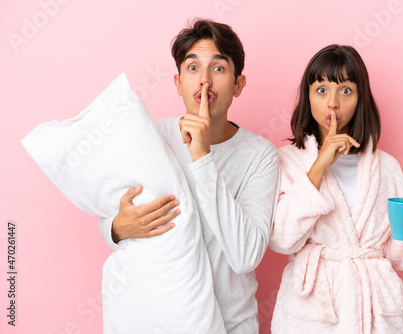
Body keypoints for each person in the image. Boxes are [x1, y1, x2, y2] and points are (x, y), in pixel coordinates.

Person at [98, 19, 280, 333]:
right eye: (193, 68)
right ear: (178, 82)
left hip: (229, 323)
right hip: (155, 319)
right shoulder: (151, 137)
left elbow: (246, 256)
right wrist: (115, 228)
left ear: (238, 84)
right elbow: (114, 217)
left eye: (219, 69)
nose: (204, 81)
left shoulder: (260, 154)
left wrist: (202, 156)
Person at [268, 44, 403, 333]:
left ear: (361, 98)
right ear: (308, 96)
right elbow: (282, 240)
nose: (332, 103)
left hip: (373, 309)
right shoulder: (287, 161)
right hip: (316, 310)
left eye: (345, 90)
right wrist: (319, 166)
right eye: (321, 90)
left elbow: (397, 258)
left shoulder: (386, 167)